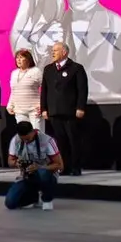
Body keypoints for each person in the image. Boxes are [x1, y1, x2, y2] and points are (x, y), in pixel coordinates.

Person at [41, 41, 89, 176]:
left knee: (73, 140)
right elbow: (44, 90)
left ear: (64, 52)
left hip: (71, 111)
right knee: (60, 141)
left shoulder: (76, 68)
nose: (53, 53)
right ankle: (64, 167)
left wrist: (80, 107)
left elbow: (82, 90)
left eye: (56, 50)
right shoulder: (48, 69)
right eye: (52, 50)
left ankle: (75, 167)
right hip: (54, 111)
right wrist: (44, 108)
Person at [5, 121, 64, 211]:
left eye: (28, 139)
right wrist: (17, 163)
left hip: (45, 174)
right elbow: (10, 161)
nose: (25, 141)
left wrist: (39, 167)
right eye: (23, 140)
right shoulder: (15, 140)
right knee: (10, 203)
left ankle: (47, 199)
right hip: (26, 176)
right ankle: (32, 198)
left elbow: (60, 165)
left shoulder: (47, 140)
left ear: (33, 132)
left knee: (43, 173)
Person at [7, 49, 44, 132]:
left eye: (21, 57)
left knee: (37, 134)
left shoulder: (36, 71)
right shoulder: (14, 73)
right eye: (17, 58)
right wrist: (10, 105)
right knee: (24, 135)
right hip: (19, 110)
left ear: (28, 59)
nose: (18, 60)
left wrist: (42, 105)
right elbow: (13, 91)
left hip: (35, 110)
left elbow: (45, 89)